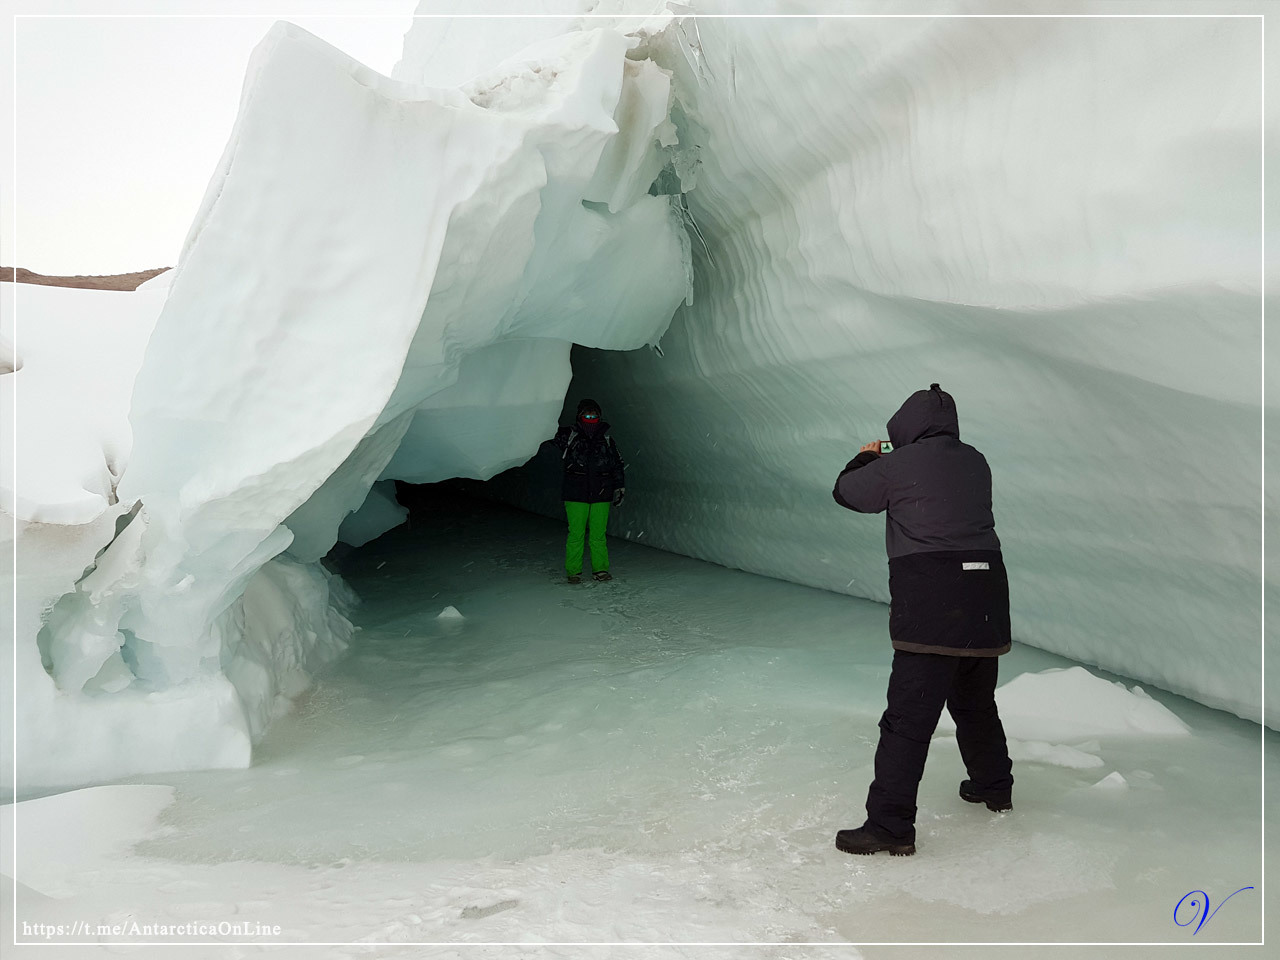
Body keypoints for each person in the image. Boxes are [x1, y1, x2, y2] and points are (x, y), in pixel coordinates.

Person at [831, 383, 1014, 857]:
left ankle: (890, 827)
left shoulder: (899, 463)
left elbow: (848, 494)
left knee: (907, 721)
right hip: (985, 598)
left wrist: (865, 458)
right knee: (975, 702)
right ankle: (994, 786)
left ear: (905, 426)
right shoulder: (976, 460)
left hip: (933, 601)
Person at [552, 399, 626, 584]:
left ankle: (600, 569)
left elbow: (617, 465)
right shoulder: (569, 436)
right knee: (576, 534)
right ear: (580, 416)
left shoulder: (608, 441)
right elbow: (545, 431)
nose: (591, 418)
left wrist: (620, 487)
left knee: (598, 535)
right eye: (587, 415)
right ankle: (574, 572)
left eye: (594, 415)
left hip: (601, 492)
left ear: (599, 417)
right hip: (575, 493)